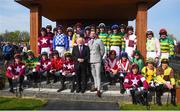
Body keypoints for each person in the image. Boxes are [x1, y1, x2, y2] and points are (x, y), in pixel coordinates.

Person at [88, 30, 105, 97]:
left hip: (97, 60)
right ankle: (95, 86)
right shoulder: (89, 42)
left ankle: (98, 89)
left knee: (98, 75)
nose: (92, 35)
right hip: (91, 60)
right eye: (91, 34)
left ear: (95, 34)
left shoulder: (99, 41)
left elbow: (103, 50)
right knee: (94, 75)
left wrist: (99, 57)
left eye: (93, 33)